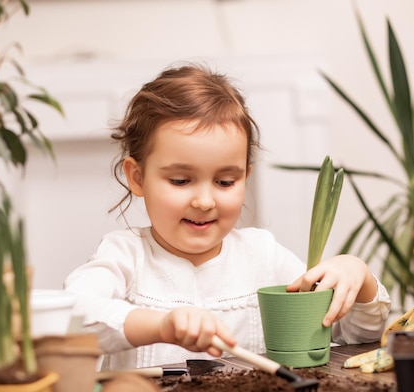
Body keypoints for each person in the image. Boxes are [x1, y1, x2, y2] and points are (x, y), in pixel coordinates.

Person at [64, 63, 391, 371]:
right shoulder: (125, 255)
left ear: (245, 178)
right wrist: (161, 325)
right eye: (180, 180)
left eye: (225, 182)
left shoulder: (263, 256)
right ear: (137, 177)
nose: (205, 201)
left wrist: (358, 276)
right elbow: (73, 317)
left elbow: (359, 335)